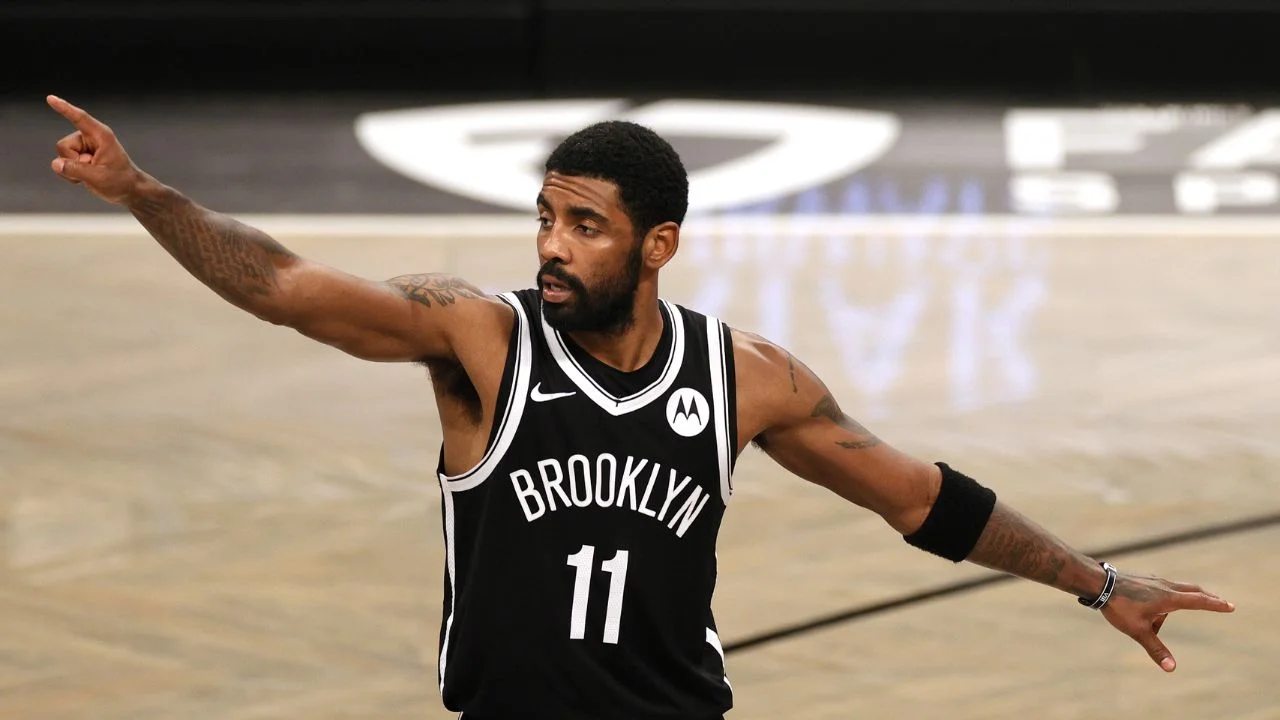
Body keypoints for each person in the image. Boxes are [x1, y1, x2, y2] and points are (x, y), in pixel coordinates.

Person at [45, 94, 1234, 720]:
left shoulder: (748, 376)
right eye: (545, 219)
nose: (550, 248)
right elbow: (289, 290)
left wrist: (1096, 580)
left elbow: (919, 498)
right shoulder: (481, 337)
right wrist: (144, 193)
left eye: (585, 226)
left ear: (657, 242)